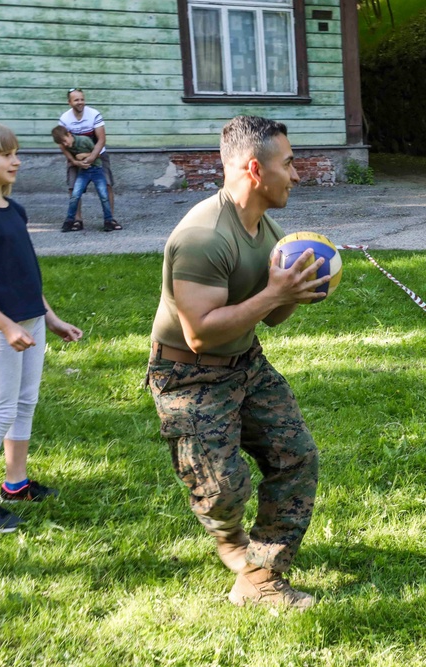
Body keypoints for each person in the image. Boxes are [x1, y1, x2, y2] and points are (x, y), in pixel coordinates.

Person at [147, 116, 330, 610]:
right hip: (189, 373)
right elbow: (200, 333)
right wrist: (275, 291)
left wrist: (299, 291)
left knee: (296, 456)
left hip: (245, 362)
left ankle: (260, 575)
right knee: (222, 486)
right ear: (255, 168)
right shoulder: (203, 237)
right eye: (288, 164)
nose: (296, 175)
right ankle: (234, 548)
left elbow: (271, 317)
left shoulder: (267, 228)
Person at [0, 119, 83, 534]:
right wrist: (6, 325)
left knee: (25, 404)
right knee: (0, 410)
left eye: (15, 153)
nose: (16, 161)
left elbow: (26, 274)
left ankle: (15, 483)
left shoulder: (14, 209)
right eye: (6, 154)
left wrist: (50, 317)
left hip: (29, 323)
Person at [58, 88, 119, 230]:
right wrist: (74, 161)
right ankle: (77, 220)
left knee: (107, 186)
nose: (80, 102)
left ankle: (110, 219)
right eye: (76, 100)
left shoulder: (94, 114)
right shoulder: (64, 119)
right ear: (69, 103)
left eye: (82, 99)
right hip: (76, 158)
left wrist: (91, 158)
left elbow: (101, 140)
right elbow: (62, 144)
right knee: (73, 188)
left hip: (98, 155)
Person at [51, 126, 119, 232]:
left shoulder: (84, 140)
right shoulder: (68, 146)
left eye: (65, 141)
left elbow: (98, 154)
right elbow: (70, 158)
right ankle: (70, 220)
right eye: (62, 143)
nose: (65, 144)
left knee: (104, 195)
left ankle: (109, 221)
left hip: (96, 170)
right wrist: (76, 162)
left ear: (69, 134)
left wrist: (84, 155)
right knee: (75, 195)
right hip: (83, 172)